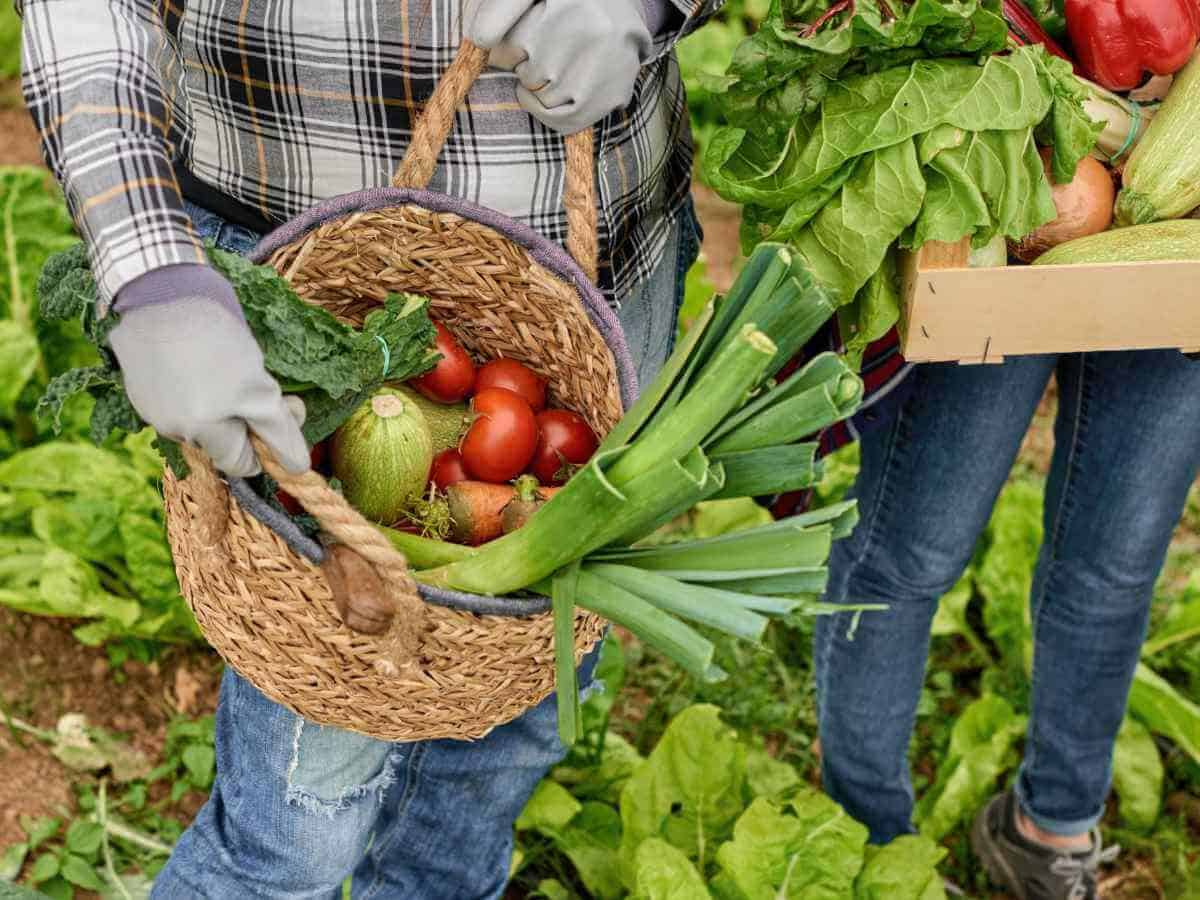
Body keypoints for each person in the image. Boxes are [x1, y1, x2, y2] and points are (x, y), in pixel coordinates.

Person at [18, 1, 714, 896]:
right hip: (301, 268)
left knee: (507, 728)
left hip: (607, 265)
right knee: (295, 828)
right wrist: (148, 265)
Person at [813, 350, 1200, 899]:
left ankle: (1050, 838)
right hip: (998, 270)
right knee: (906, 559)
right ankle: (872, 852)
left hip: (1182, 277)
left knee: (1110, 575)